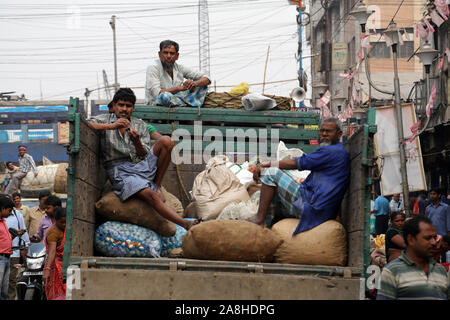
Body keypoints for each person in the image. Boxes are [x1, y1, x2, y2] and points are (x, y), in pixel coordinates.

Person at [87, 88, 200, 230]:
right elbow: (87, 123)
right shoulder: (105, 119)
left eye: (128, 106)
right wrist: (111, 126)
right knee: (151, 196)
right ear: (114, 106)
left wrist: (137, 142)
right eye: (121, 105)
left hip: (140, 165)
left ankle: (157, 185)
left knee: (166, 141)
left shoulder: (139, 125)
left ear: (133, 108)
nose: (124, 109)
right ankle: (185, 223)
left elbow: (143, 154)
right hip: (120, 171)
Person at [252, 118, 350, 235]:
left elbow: (297, 163)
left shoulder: (332, 151)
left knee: (272, 173)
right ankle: (264, 231)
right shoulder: (336, 151)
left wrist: (267, 164)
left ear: (339, 134)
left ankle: (259, 221)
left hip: (313, 208)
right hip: (320, 209)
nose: (324, 134)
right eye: (322, 131)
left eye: (328, 131)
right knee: (267, 194)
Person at [377, 216, 450, 300]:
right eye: (427, 238)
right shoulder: (392, 271)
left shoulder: (440, 270)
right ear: (411, 239)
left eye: (434, 237)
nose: (434, 242)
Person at [145, 40, 211, 107]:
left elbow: (207, 78)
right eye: (165, 53)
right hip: (157, 104)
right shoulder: (153, 67)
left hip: (177, 99)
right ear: (159, 54)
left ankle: (181, 103)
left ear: (177, 56)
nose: (168, 56)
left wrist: (193, 84)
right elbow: (157, 93)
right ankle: (184, 103)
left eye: (172, 53)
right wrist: (180, 88)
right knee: (164, 95)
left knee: (201, 86)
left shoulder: (180, 68)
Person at [5, 202, 30, 300]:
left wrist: (25, 246)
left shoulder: (17, 214)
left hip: (14, 253)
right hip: (2, 253)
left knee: (12, 279)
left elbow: (23, 230)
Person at [43, 207, 66, 300]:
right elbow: (52, 251)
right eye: (62, 222)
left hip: (65, 265)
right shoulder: (53, 232)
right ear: (55, 220)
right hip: (55, 268)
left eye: (66, 222)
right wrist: (47, 269)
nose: (64, 224)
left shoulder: (68, 229)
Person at [0, 196, 15, 300]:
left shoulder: (3, 221)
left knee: (4, 289)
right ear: (2, 209)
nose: (10, 213)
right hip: (0, 258)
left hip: (6, 257)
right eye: (9, 210)